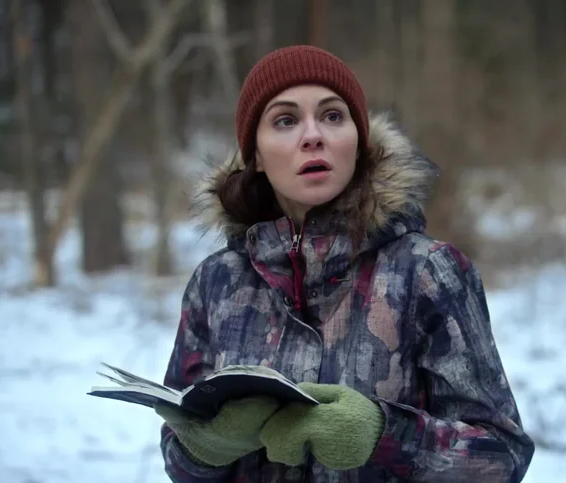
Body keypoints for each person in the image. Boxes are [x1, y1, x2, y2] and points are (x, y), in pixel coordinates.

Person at [155, 45, 535, 483]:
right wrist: (206, 449)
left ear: (358, 142)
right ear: (255, 154)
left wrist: (382, 435)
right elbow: (176, 453)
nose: (313, 135)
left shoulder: (427, 272)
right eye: (285, 120)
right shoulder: (216, 282)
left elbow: (503, 457)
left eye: (333, 116)